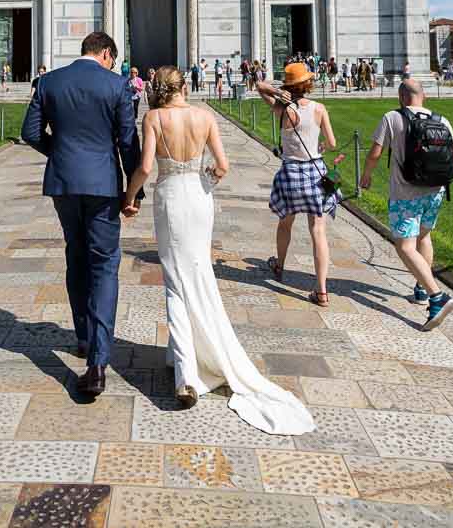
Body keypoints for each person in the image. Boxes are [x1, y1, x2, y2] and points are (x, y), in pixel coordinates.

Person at [122, 66, 314, 435]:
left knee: (176, 281)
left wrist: (129, 198)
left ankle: (186, 375)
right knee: (198, 272)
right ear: (184, 87)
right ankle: (193, 354)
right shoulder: (204, 116)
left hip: (171, 197)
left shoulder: (154, 117)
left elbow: (146, 166)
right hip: (198, 197)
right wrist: (204, 181)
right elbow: (223, 166)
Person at [21, 31, 141, 397]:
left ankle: (85, 338)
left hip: (64, 184)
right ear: (106, 53)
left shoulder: (49, 82)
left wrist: (61, 155)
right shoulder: (118, 86)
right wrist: (134, 190)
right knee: (104, 265)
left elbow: (29, 132)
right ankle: (99, 362)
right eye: (112, 59)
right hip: (103, 186)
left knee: (76, 257)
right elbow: (127, 142)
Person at [360, 79, 453, 329]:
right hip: (435, 191)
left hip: (406, 193)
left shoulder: (392, 117)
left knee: (404, 246)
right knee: (423, 238)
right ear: (423, 96)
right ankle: (421, 290)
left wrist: (367, 175)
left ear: (401, 97)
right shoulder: (442, 120)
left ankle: (437, 296)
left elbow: (375, 152)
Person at [257, 62, 338, 307]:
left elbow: (259, 86)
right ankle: (321, 291)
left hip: (291, 172)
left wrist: (277, 93)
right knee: (318, 231)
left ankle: (280, 265)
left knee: (285, 224)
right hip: (315, 172)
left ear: (290, 86)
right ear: (308, 84)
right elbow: (332, 143)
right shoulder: (319, 108)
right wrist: (320, 146)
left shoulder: (282, 109)